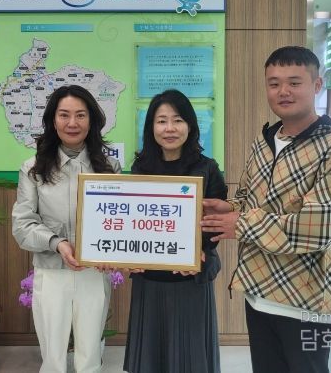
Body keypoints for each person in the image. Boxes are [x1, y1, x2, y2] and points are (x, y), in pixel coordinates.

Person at [201, 46, 331, 373]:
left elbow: (317, 228)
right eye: (274, 83)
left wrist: (241, 223)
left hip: (309, 300)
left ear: (317, 85)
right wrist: (229, 207)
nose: (283, 91)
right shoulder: (265, 140)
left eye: (294, 82)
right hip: (259, 291)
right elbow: (250, 199)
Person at [12, 85, 121, 373]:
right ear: (53, 120)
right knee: (53, 356)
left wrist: (112, 251)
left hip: (94, 272)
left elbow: (118, 222)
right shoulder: (33, 168)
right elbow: (22, 225)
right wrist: (57, 243)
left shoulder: (109, 167)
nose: (72, 123)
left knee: (90, 354)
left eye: (80, 115)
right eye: (64, 115)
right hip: (51, 272)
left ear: (92, 120)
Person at [123, 89, 227, 373]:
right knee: (151, 359)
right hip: (149, 279)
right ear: (151, 127)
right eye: (161, 121)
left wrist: (200, 251)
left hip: (190, 278)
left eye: (178, 120)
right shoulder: (140, 168)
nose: (169, 128)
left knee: (190, 359)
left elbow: (215, 224)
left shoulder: (207, 168)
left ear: (190, 125)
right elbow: (134, 222)